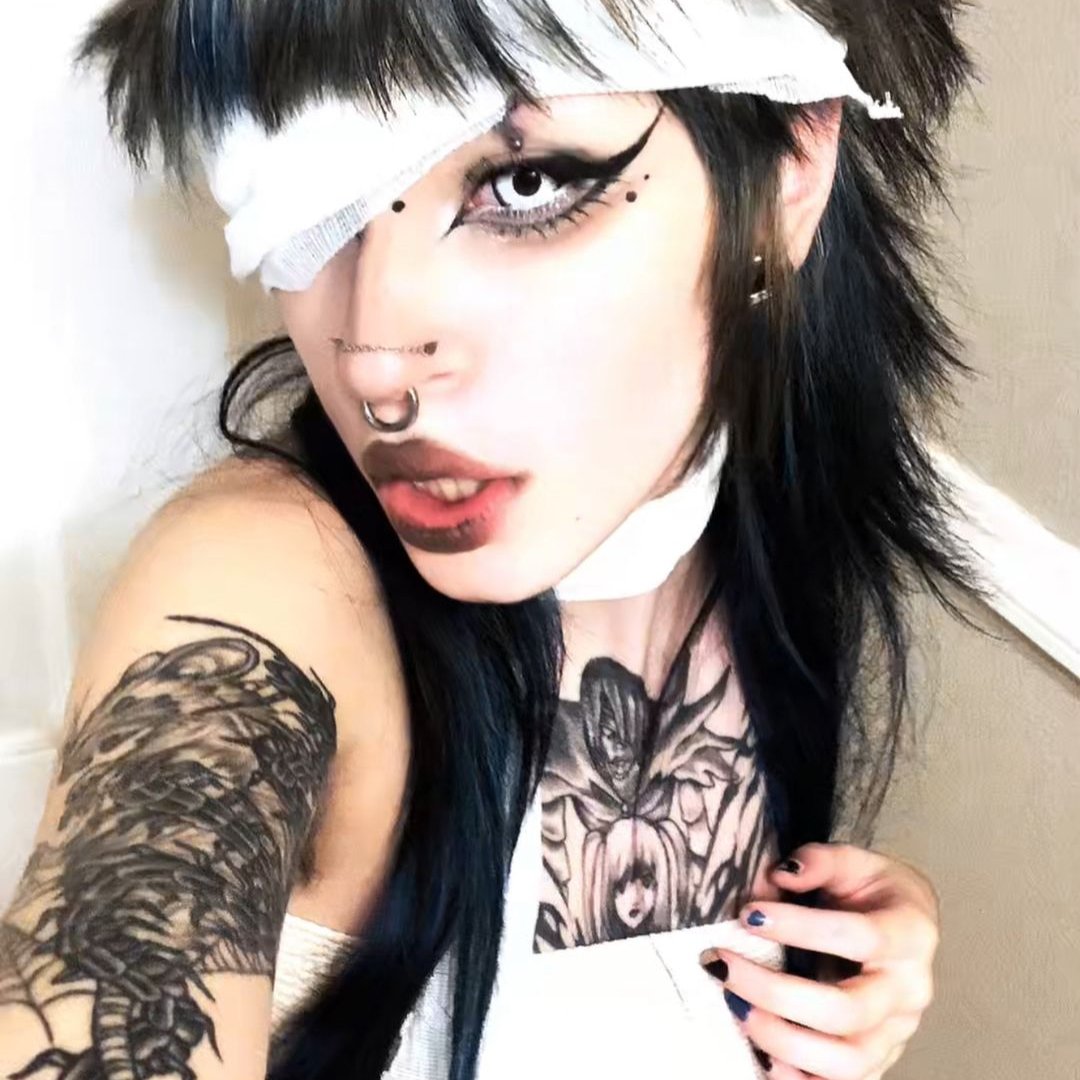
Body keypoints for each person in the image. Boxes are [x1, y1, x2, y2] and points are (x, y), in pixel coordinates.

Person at [0, 1, 972, 1078]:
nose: (377, 364)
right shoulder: (261, 581)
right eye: (312, 207)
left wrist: (841, 959)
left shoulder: (753, 523)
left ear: (791, 168)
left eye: (524, 185)